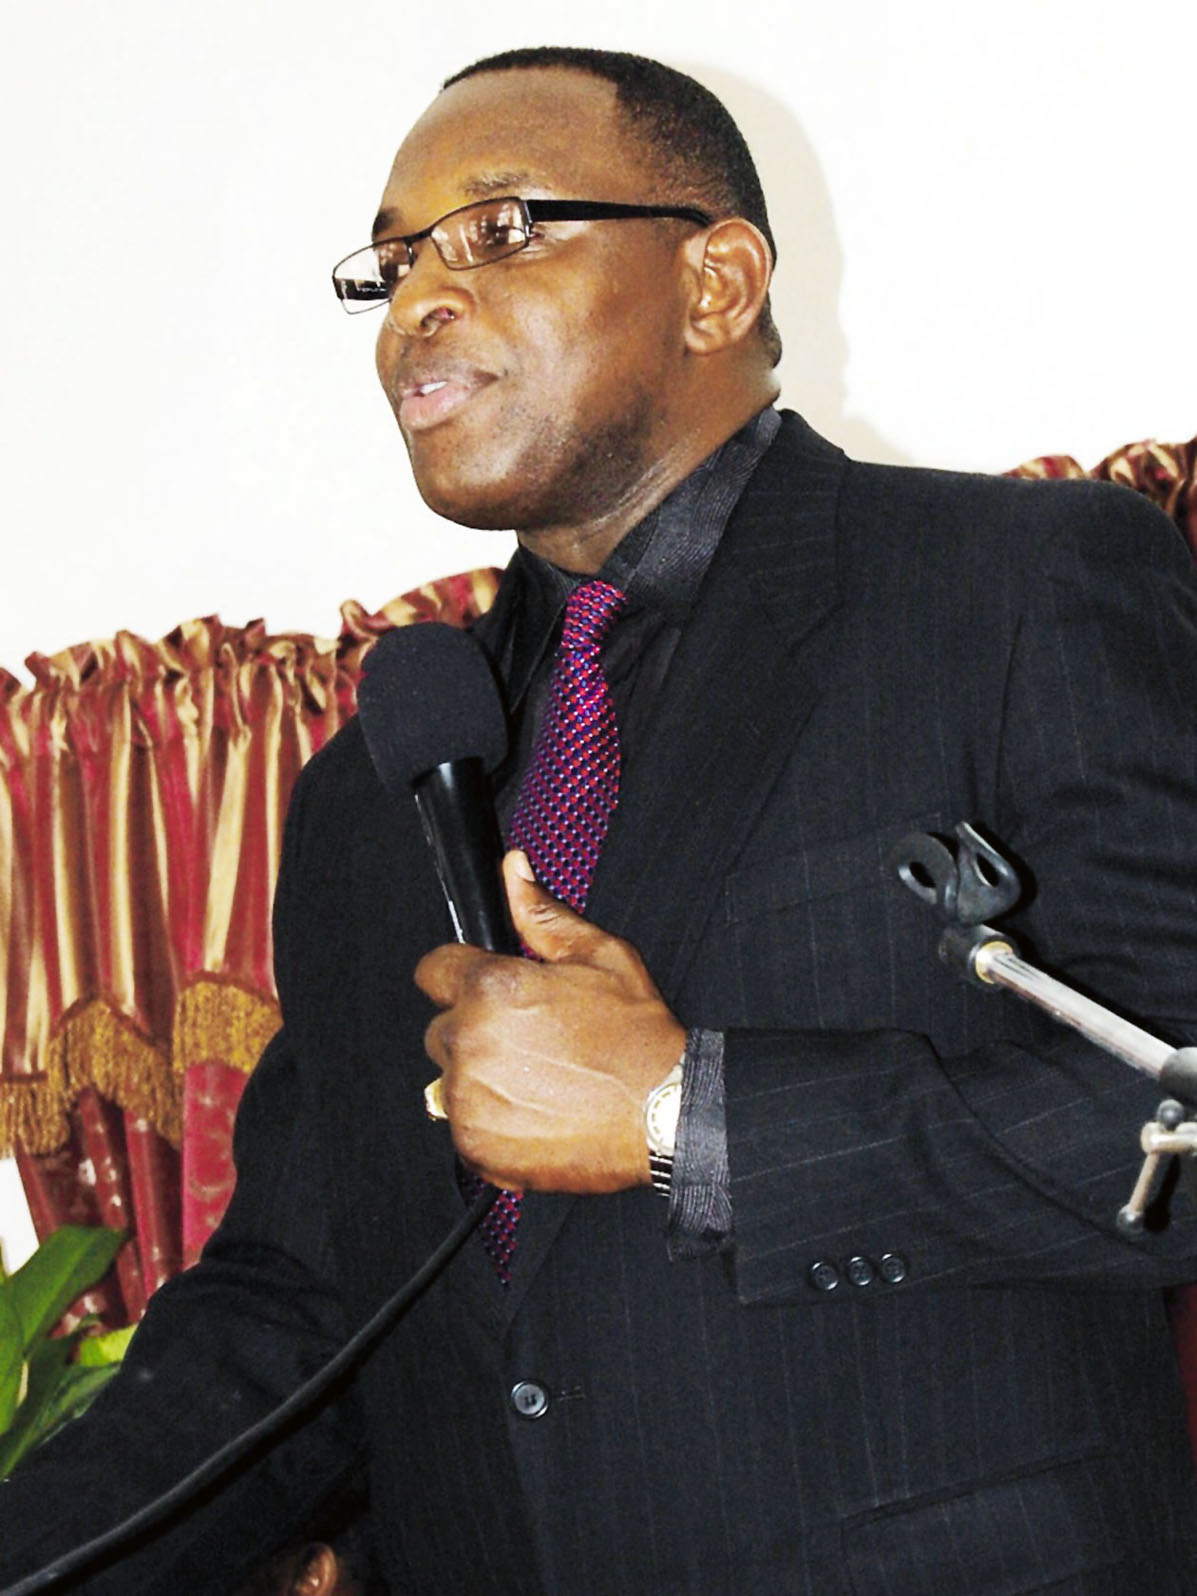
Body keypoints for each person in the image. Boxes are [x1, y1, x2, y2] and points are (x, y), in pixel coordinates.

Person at [3, 44, 1197, 1596]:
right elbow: (301, 1313)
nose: (419, 303)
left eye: (501, 229)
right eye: (392, 263)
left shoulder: (1018, 587)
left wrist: (686, 1119)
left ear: (715, 282)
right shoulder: (373, 783)